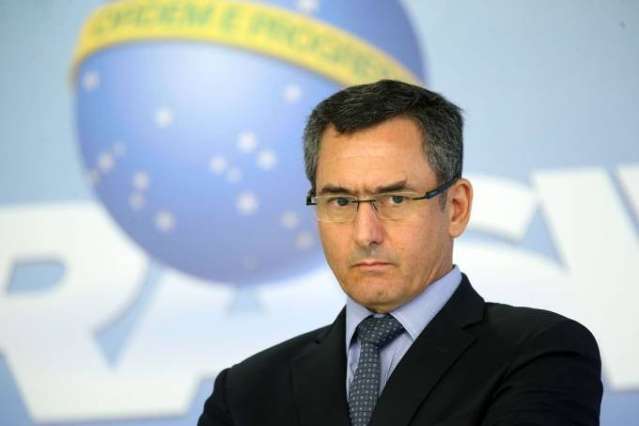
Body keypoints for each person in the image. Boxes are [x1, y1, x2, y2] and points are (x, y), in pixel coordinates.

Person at [198, 80, 602, 425]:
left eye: (395, 199)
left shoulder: (540, 354)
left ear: (456, 208)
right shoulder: (245, 393)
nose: (365, 234)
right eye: (340, 202)